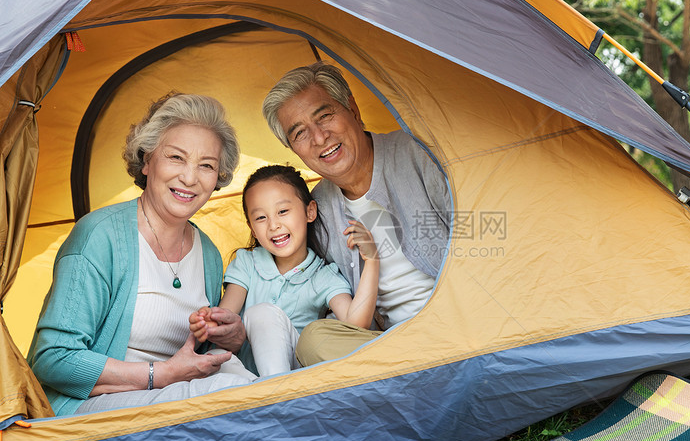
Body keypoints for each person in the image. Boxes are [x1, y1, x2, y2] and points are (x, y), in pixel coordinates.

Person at [28, 93, 255, 416]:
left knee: (255, 386)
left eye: (206, 165)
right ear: (147, 161)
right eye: (176, 157)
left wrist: (229, 339)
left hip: (174, 402)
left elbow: (196, 358)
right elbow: (54, 359)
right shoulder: (99, 236)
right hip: (87, 410)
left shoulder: (208, 253)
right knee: (227, 394)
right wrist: (161, 375)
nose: (190, 178)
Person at [262, 61, 451, 365]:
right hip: (393, 350)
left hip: (464, 323)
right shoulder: (316, 208)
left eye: (324, 115)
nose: (320, 138)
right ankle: (420, 375)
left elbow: (483, 245)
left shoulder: (418, 154)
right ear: (294, 150)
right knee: (314, 339)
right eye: (300, 134)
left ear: (353, 108)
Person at [189, 164, 379, 376]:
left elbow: (356, 323)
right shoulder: (247, 263)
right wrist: (209, 320)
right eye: (261, 217)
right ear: (252, 228)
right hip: (247, 374)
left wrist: (372, 260)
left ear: (310, 212)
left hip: (292, 372)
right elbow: (226, 315)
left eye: (283, 211)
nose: (273, 225)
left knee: (261, 313)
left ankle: (277, 390)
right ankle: (261, 394)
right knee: (215, 357)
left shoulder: (322, 275)